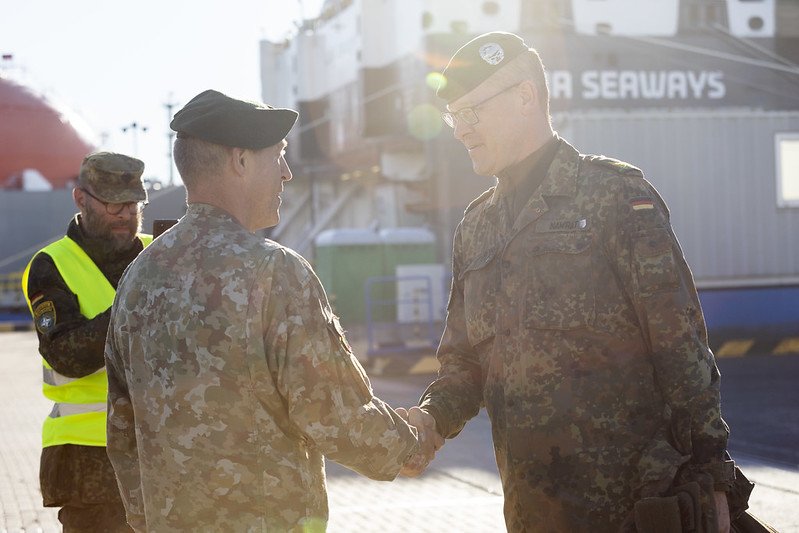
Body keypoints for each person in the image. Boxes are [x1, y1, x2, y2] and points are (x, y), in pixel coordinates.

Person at [406, 32, 743, 532]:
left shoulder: (615, 197)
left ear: (525, 97)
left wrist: (712, 475)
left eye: (472, 112)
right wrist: (430, 420)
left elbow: (681, 346)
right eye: (455, 117)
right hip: (530, 511)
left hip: (636, 509)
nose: (461, 131)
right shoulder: (476, 229)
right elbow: (465, 362)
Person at [103, 89, 441, 532]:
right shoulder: (274, 271)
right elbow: (333, 411)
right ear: (240, 161)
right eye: (278, 156)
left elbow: (121, 429)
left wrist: (148, 518)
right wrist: (409, 445)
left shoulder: (137, 278)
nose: (286, 173)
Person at [21, 152, 151, 532]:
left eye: (133, 203)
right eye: (114, 204)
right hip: (90, 463)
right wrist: (138, 302)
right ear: (81, 199)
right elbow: (66, 355)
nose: (126, 214)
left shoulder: (157, 253)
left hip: (164, 453)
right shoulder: (52, 264)